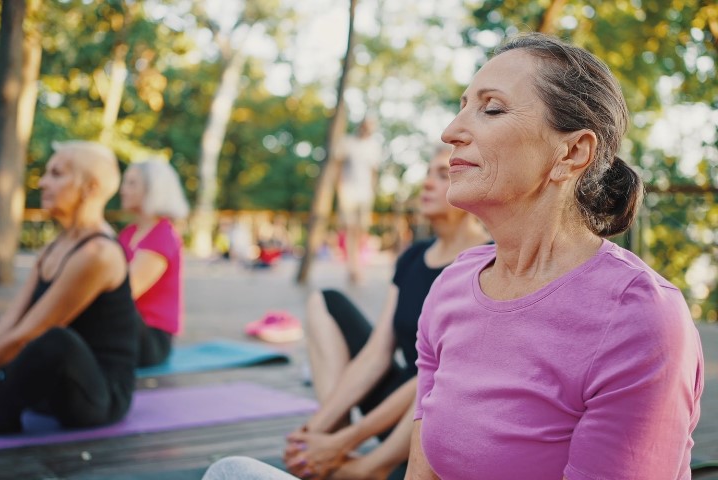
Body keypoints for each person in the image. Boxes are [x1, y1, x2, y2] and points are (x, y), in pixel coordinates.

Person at [406, 33, 704, 480]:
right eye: (462, 105)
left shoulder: (639, 318)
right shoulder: (452, 285)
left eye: (491, 109)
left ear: (571, 152)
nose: (450, 132)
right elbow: (421, 471)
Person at [200, 147, 490, 480]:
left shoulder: (485, 260)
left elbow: (439, 378)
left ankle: (369, 466)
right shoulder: (413, 257)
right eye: (427, 173)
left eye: (442, 174)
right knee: (324, 302)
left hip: (437, 414)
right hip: (394, 407)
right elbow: (377, 352)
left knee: (435, 380)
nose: (426, 184)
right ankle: (325, 446)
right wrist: (317, 428)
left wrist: (348, 440)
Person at [0, 141, 140, 434]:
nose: (42, 181)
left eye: (56, 173)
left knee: (54, 341)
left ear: (91, 188)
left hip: (96, 397)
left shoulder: (97, 254)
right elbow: (9, 324)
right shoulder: (54, 247)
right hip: (51, 389)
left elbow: (26, 336)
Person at [118, 159, 188, 367]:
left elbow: (123, 293)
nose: (122, 190)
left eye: (131, 184)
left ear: (153, 190)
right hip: (127, 328)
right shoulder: (128, 233)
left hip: (151, 339)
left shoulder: (162, 236)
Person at [337, 115, 383, 284]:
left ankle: (358, 265)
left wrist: (372, 191)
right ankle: (352, 267)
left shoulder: (373, 146)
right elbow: (339, 167)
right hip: (348, 191)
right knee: (349, 229)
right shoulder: (347, 142)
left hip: (365, 193)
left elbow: (373, 172)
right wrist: (340, 190)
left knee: (360, 230)